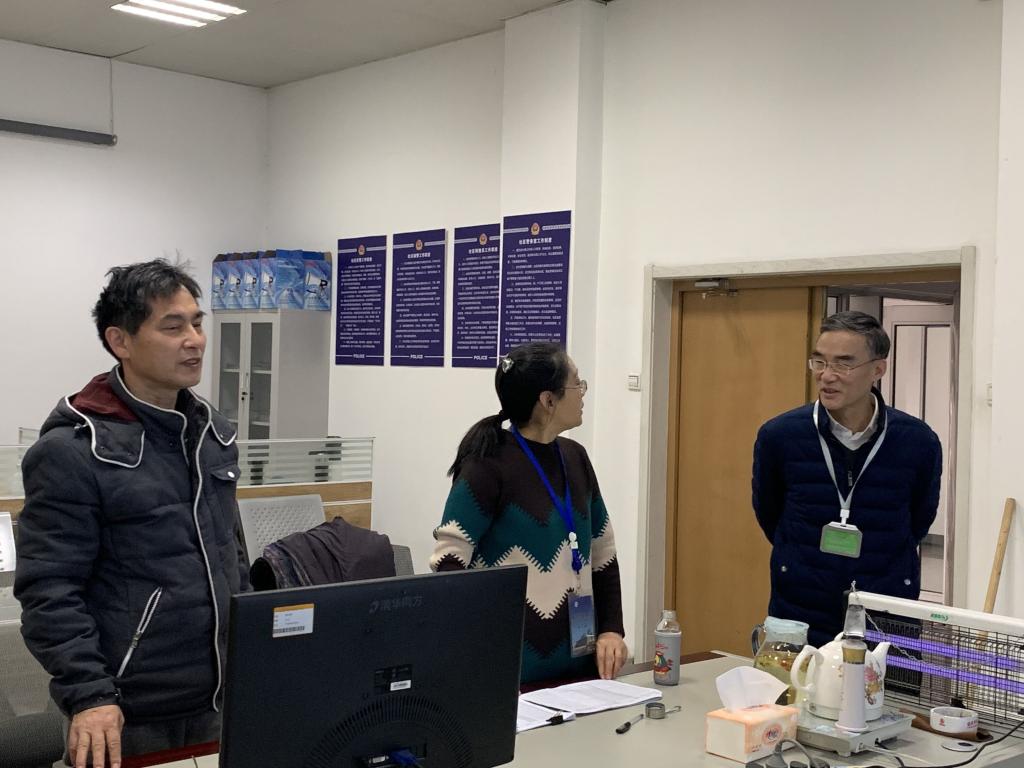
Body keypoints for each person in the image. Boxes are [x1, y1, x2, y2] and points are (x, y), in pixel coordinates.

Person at [14, 260, 249, 768]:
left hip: (221, 699)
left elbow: (231, 559)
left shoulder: (212, 434)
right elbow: (49, 590)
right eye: (173, 327)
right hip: (124, 713)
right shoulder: (74, 451)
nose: (195, 340)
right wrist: (89, 693)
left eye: (197, 323)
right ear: (120, 341)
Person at [430, 342, 627, 683]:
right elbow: (449, 560)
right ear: (548, 400)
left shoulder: (575, 457)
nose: (583, 393)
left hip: (580, 670)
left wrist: (611, 629)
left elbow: (603, 551)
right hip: (506, 674)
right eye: (576, 384)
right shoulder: (486, 464)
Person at [752, 311, 942, 646]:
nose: (827, 375)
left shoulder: (917, 441)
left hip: (885, 612)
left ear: (878, 369)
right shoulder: (780, 436)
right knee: (793, 682)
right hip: (800, 609)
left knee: (885, 682)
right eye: (819, 362)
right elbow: (770, 513)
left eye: (843, 363)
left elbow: (919, 520)